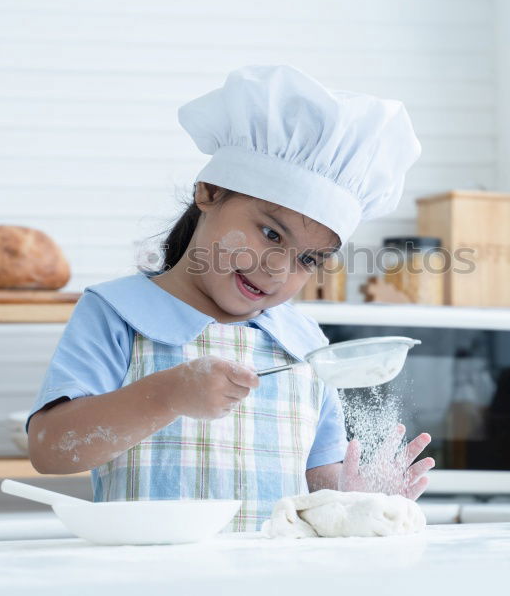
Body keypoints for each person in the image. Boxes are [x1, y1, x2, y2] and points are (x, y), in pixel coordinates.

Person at [27, 65, 434, 531]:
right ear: (210, 191)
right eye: (269, 233)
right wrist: (167, 394)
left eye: (308, 260)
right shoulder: (118, 314)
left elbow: (319, 488)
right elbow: (49, 449)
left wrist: (361, 501)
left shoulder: (303, 344)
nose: (279, 269)